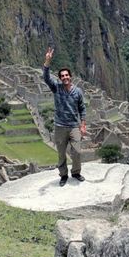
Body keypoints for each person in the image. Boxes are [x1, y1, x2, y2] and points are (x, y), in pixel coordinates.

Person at [43, 47, 87, 186]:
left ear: (70, 76)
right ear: (60, 78)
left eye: (66, 75)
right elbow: (46, 78)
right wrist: (47, 61)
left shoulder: (77, 92)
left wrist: (83, 124)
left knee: (77, 152)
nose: (65, 77)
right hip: (60, 126)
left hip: (74, 126)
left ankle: (76, 172)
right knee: (61, 154)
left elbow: (82, 108)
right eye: (62, 76)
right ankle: (63, 175)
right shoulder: (56, 88)